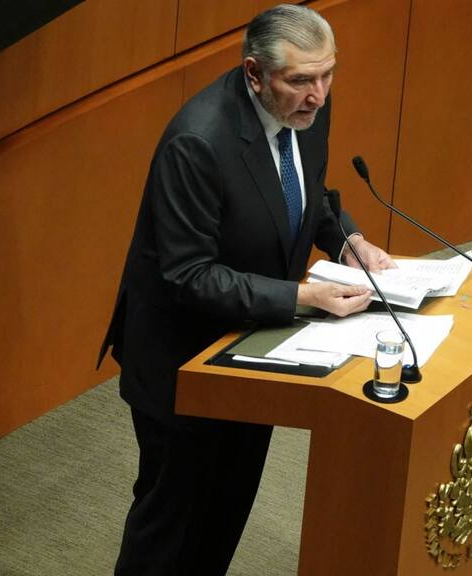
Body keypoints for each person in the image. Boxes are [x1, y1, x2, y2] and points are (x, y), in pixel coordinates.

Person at [97, 4, 394, 574]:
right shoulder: (198, 141)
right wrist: (304, 298)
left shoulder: (307, 114)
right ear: (255, 74)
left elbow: (306, 192)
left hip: (255, 350)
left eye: (328, 74)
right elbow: (188, 274)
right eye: (302, 80)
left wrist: (346, 240)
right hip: (182, 362)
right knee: (170, 526)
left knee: (225, 512)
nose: (319, 94)